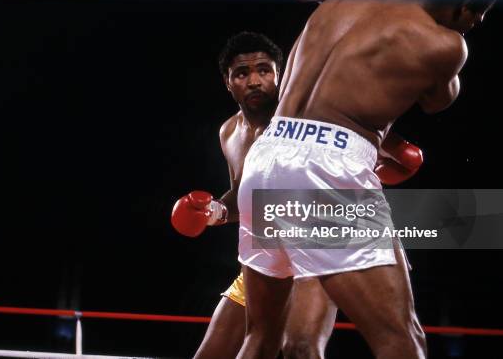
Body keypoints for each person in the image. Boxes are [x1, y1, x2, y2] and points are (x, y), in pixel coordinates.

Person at [235, 0, 494, 359]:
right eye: (478, 10)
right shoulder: (446, 44)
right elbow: (439, 100)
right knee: (401, 339)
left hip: (266, 155)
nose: (478, 21)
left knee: (261, 337)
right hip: (327, 168)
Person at [172, 31, 424, 358]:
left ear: (280, 76)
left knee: (301, 347)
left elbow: (373, 133)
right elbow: (244, 194)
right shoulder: (230, 132)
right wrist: (217, 211)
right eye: (242, 73)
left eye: (264, 70)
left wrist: (396, 153)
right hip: (269, 250)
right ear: (228, 82)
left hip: (316, 238)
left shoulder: (307, 112)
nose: (254, 81)